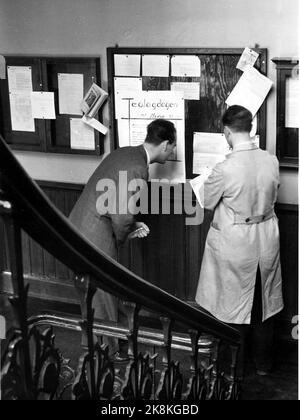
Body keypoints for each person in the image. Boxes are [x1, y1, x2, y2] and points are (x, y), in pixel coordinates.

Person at [69, 119, 176, 357]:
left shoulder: (125, 153)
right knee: (102, 295)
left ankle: (100, 349)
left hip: (80, 225)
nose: (172, 152)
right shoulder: (138, 167)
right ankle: (107, 355)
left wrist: (129, 225)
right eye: (173, 146)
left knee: (94, 295)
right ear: (166, 144)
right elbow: (122, 215)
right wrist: (127, 231)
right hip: (94, 233)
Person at [195, 105, 283, 378]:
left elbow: (208, 201)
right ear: (252, 129)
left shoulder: (225, 168)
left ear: (227, 132)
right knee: (262, 303)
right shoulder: (271, 160)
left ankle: (231, 369)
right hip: (266, 238)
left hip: (236, 243)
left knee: (231, 305)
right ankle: (263, 364)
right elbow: (273, 196)